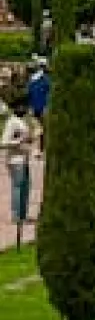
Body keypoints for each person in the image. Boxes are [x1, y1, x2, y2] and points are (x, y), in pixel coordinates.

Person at [3, 97, 40, 241]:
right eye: (22, 107)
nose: (24, 109)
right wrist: (19, 141)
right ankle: (17, 215)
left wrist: (31, 137)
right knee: (18, 187)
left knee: (26, 186)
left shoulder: (22, 121)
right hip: (14, 160)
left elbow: (26, 137)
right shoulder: (11, 123)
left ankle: (23, 215)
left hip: (24, 158)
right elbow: (4, 142)